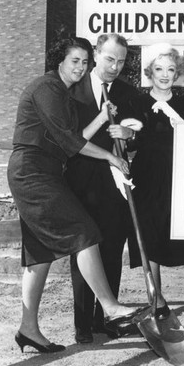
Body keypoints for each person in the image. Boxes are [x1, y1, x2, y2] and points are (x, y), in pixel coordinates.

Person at [7, 37, 140, 354]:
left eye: (83, 61)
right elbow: (70, 142)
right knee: (84, 232)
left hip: (46, 171)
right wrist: (110, 157)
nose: (80, 67)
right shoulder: (48, 87)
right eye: (74, 61)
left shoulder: (61, 93)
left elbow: (75, 137)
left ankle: (28, 329)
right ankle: (109, 306)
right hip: (33, 171)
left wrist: (101, 117)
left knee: (39, 255)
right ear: (60, 61)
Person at [65, 33, 142, 343]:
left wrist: (130, 135)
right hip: (80, 184)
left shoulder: (128, 93)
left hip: (114, 186)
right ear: (95, 54)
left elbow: (139, 137)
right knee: (83, 249)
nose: (115, 66)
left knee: (111, 249)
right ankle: (82, 323)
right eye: (110, 59)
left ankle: (105, 319)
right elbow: (70, 138)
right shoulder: (72, 90)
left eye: (121, 61)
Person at [129, 43, 184, 317]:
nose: (165, 74)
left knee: (172, 235)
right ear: (150, 71)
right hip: (146, 176)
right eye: (159, 69)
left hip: (177, 177)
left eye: (171, 69)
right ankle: (157, 300)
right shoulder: (138, 102)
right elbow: (129, 144)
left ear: (178, 74)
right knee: (147, 238)